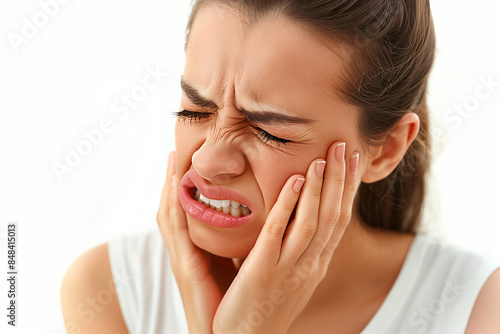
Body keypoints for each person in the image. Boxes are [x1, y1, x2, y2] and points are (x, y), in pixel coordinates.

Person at [60, 0, 500, 333]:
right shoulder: (109, 291)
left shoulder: (480, 308)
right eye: (195, 110)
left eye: (273, 132)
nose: (208, 161)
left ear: (385, 150)